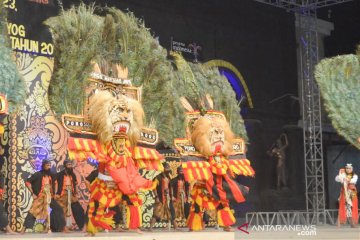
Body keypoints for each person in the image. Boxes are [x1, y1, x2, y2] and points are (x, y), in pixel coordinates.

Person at [21, 160, 67, 233]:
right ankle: (23, 229)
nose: (49, 167)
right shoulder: (38, 174)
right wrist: (33, 193)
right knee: (33, 212)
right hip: (40, 196)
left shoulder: (51, 174)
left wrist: (55, 194)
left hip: (49, 196)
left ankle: (61, 228)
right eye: (47, 165)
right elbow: (27, 182)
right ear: (43, 166)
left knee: (58, 209)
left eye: (49, 165)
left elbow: (57, 179)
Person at [54, 159, 85, 230]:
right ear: (65, 166)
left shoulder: (73, 174)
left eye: (71, 165)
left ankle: (82, 226)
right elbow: (52, 182)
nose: (70, 166)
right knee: (62, 210)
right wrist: (55, 193)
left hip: (71, 194)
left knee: (78, 209)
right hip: (63, 194)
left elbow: (75, 184)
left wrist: (76, 193)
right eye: (68, 165)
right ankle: (63, 227)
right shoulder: (60, 174)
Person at [150, 162, 176, 231]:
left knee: (171, 212)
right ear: (163, 169)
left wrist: (172, 196)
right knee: (156, 212)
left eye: (168, 168)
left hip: (168, 198)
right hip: (160, 197)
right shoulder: (157, 177)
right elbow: (154, 188)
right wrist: (156, 197)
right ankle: (151, 228)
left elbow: (171, 188)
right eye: (167, 168)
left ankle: (175, 228)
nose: (168, 169)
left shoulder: (168, 177)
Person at [335, 163, 358, 228]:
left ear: (352, 169)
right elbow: (336, 179)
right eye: (347, 168)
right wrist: (341, 175)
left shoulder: (354, 175)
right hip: (344, 192)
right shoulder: (343, 175)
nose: (348, 169)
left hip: (352, 192)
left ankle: (352, 223)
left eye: (349, 168)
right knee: (343, 206)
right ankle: (338, 224)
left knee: (352, 206)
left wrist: (346, 179)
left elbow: (353, 181)